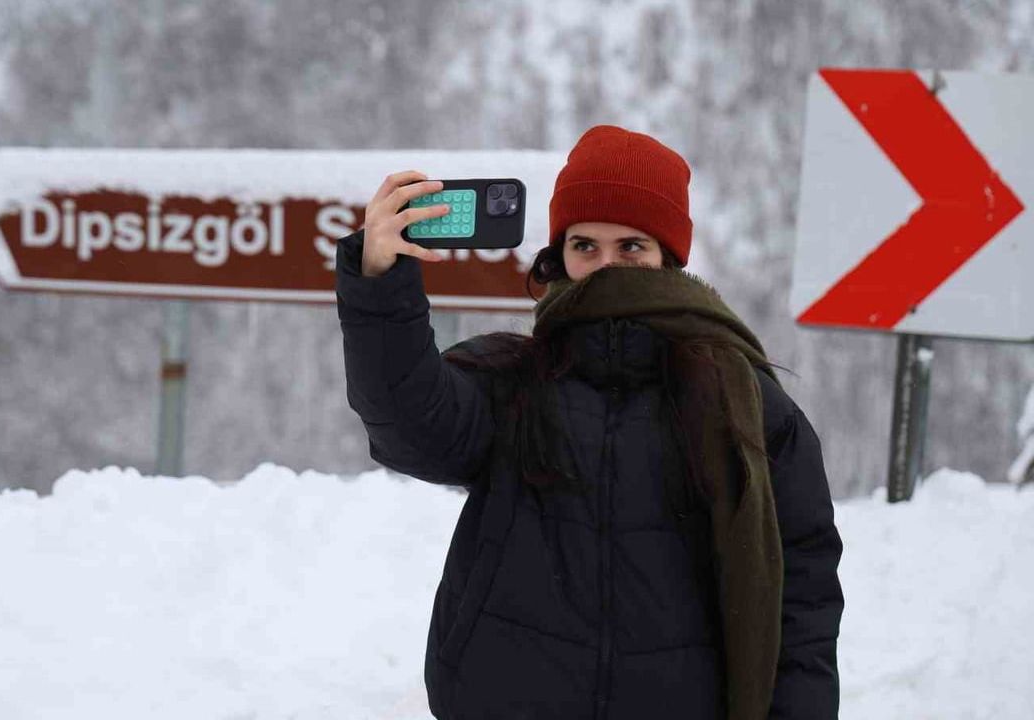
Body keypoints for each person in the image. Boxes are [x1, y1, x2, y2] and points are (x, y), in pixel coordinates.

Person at [334, 125, 844, 720]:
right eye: (585, 246)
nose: (606, 267)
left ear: (667, 258)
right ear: (561, 255)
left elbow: (803, 594)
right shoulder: (513, 379)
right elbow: (410, 426)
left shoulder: (743, 401)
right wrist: (379, 283)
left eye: (631, 246)